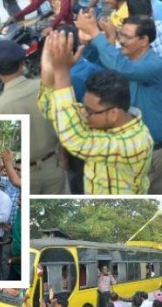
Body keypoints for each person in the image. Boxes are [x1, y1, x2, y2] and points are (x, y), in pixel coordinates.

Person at [38, 30, 153, 194]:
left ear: (113, 113)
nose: (84, 114)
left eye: (90, 111)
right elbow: (51, 109)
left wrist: (62, 72)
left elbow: (74, 139)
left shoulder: (136, 141)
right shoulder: (100, 118)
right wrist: (48, 66)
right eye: (84, 107)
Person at [76, 13, 162, 194]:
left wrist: (97, 34)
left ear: (144, 40)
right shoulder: (126, 59)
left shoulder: (155, 65)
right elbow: (99, 61)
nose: (120, 40)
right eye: (119, 34)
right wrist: (89, 40)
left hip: (155, 152)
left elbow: (121, 68)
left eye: (126, 37)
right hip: (129, 147)